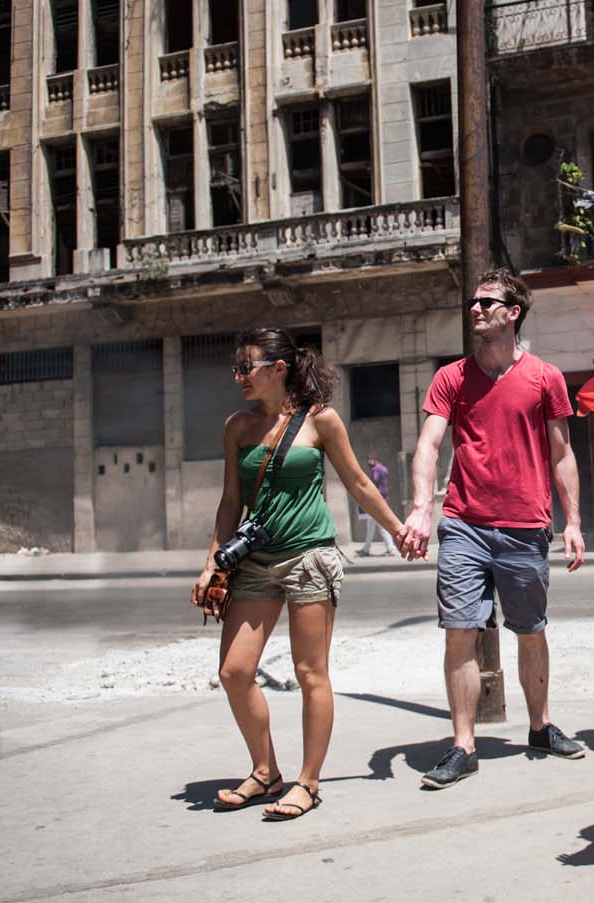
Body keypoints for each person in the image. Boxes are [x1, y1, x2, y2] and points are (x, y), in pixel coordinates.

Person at [191, 327, 405, 820]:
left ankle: (308, 783)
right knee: (235, 671)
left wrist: (396, 529)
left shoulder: (320, 421)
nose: (240, 376)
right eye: (237, 368)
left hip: (309, 558)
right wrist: (210, 563)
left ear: (278, 368)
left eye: (248, 367)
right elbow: (230, 501)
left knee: (311, 674)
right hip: (255, 562)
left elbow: (356, 482)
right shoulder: (237, 426)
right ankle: (265, 771)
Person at [398, 268, 588, 790]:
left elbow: (562, 452)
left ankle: (540, 726)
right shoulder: (451, 377)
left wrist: (572, 522)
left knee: (530, 629)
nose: (476, 309)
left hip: (526, 525)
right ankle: (463, 745)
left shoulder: (544, 377)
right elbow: (429, 445)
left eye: (487, 302)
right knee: (460, 631)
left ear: (513, 312)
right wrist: (421, 507)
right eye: (473, 303)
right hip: (464, 523)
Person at [358, 454, 396, 556]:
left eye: (370, 460)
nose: (369, 462)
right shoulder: (383, 469)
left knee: (381, 526)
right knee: (371, 525)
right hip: (381, 499)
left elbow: (374, 480)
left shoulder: (376, 469)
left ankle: (391, 549)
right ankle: (366, 549)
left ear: (375, 460)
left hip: (377, 500)